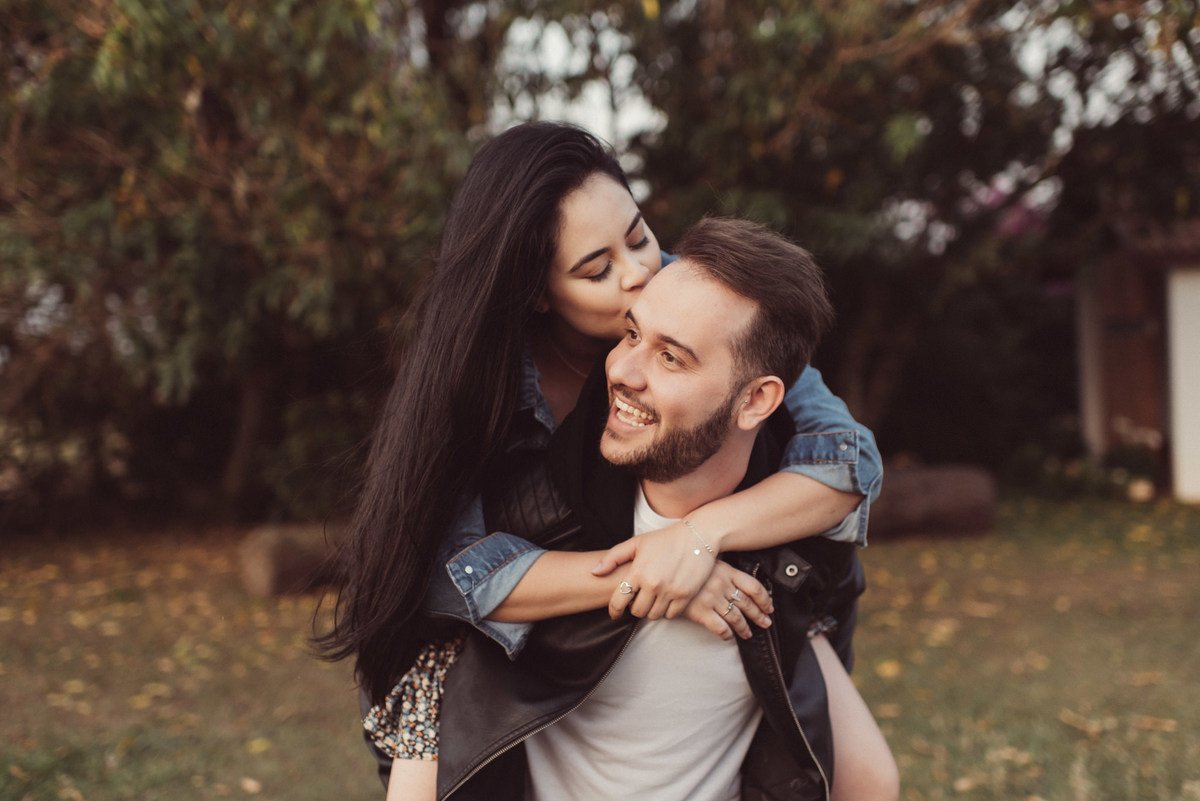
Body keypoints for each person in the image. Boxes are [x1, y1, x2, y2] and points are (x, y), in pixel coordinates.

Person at [315, 123, 883, 798]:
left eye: (639, 235)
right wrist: (657, 574)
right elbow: (447, 575)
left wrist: (697, 538)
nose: (642, 273)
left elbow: (847, 463)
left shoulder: (700, 299)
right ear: (535, 291)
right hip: (525, 675)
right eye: (597, 269)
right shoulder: (482, 385)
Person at [423, 217, 897, 801]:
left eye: (671, 358)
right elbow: (426, 634)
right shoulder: (532, 536)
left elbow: (860, 775)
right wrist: (645, 570)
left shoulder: (793, 566)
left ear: (757, 400)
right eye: (629, 335)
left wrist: (696, 538)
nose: (621, 370)